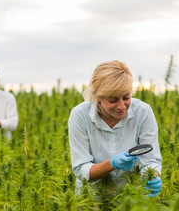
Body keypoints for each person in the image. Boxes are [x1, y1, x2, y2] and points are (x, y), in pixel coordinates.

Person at [68, 60, 162, 197]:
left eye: (126, 97)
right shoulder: (80, 115)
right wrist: (112, 163)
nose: (121, 106)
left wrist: (152, 176)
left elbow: (149, 160)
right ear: (97, 97)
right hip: (91, 201)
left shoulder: (143, 112)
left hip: (131, 198)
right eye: (113, 100)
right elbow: (82, 170)